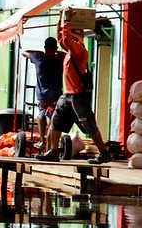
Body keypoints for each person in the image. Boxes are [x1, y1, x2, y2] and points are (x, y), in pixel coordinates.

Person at [38, 22, 111, 164]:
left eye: (73, 34)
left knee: (89, 125)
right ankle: (54, 151)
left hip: (78, 96)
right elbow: (61, 39)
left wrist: (66, 25)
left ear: (77, 37)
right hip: (67, 95)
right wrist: (61, 21)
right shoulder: (70, 52)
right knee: (55, 122)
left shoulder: (80, 51)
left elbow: (65, 40)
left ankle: (104, 153)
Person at [21, 37, 64, 150]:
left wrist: (38, 52)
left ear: (45, 47)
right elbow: (68, 54)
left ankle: (41, 140)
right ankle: (51, 145)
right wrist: (56, 52)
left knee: (41, 115)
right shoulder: (59, 58)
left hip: (42, 95)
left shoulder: (39, 57)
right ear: (55, 47)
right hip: (56, 94)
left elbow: (24, 52)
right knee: (52, 119)